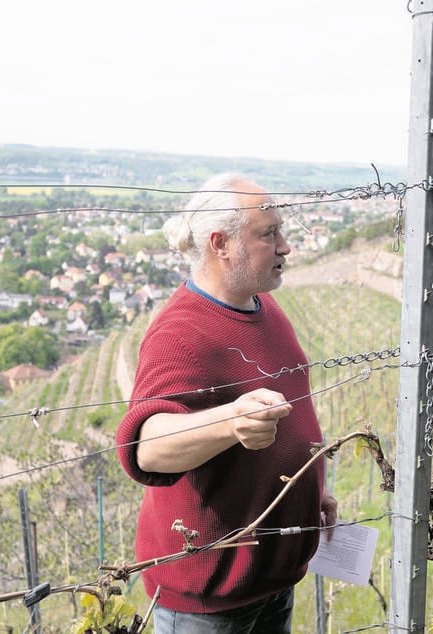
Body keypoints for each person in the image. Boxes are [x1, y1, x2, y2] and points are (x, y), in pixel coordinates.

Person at [116, 172, 337, 633]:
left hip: (269, 579)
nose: (285, 246)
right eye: (268, 233)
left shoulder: (261, 307)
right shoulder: (181, 333)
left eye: (281, 231)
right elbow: (146, 448)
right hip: (209, 603)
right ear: (221, 243)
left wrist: (308, 492)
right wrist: (232, 421)